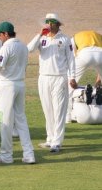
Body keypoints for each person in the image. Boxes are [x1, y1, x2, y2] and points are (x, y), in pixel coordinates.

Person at [0, 21, 35, 164]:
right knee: (21, 120)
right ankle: (29, 154)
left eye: (0, 34)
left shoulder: (6, 47)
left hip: (8, 86)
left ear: (6, 34)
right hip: (20, 84)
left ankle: (6, 155)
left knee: (5, 121)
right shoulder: (23, 47)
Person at [28, 13, 76, 152]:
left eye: (51, 22)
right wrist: (39, 34)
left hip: (59, 77)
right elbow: (29, 49)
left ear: (57, 24)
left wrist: (72, 77)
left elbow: (71, 59)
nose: (49, 24)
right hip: (43, 78)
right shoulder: (42, 38)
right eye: (47, 22)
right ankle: (50, 139)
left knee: (58, 110)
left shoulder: (65, 39)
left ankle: (57, 142)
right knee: (47, 109)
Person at [66, 30, 102, 121]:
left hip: (84, 54)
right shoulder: (98, 36)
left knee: (68, 87)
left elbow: (71, 57)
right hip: (100, 53)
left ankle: (67, 117)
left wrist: (72, 78)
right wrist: (98, 81)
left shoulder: (73, 38)